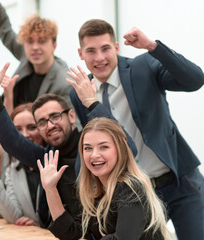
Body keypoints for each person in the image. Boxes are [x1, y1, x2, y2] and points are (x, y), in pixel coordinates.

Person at [69, 19, 204, 240]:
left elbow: (195, 80)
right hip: (135, 194)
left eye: (105, 48)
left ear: (116, 47)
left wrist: (153, 47)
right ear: (81, 53)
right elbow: (92, 140)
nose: (100, 58)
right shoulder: (80, 92)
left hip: (179, 183)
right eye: (91, 51)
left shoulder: (143, 66)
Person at [0, 52, 137, 230]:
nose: (50, 125)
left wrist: (91, 102)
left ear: (71, 115)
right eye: (42, 122)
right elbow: (13, 142)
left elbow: (127, 147)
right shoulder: (47, 157)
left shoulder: (92, 149)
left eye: (55, 116)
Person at [38, 117, 169, 239]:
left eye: (104, 147)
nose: (94, 155)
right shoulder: (96, 193)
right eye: (88, 148)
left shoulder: (130, 187)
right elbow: (72, 233)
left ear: (120, 150)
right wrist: (50, 189)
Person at [0, 0, 72, 114]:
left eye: (42, 41)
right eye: (30, 41)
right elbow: (5, 30)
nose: (35, 47)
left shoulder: (64, 82)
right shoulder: (26, 55)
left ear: (54, 45)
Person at [0, 103, 43, 226]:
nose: (25, 135)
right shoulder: (13, 167)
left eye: (32, 127)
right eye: (17, 130)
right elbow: (13, 216)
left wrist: (39, 225)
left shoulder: (55, 161)